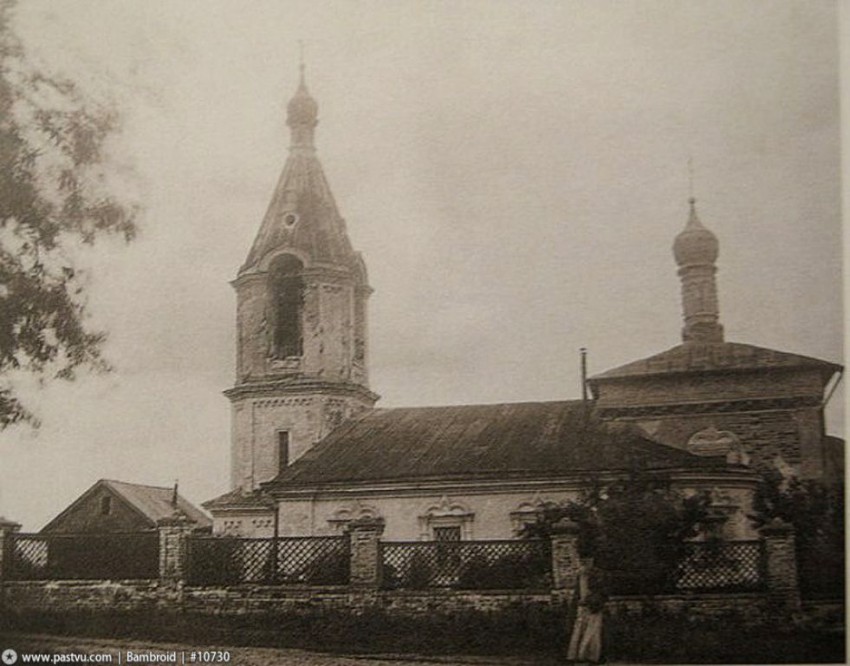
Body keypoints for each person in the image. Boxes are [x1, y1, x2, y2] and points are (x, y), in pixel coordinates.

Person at [566, 557, 607, 664]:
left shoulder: (598, 574)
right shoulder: (581, 574)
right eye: (583, 560)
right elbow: (577, 592)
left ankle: (591, 656)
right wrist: (576, 603)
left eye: (588, 560)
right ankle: (578, 655)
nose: (585, 562)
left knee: (593, 631)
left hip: (593, 607)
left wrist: (591, 601)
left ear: (593, 560)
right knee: (580, 630)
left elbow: (602, 591)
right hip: (582, 607)